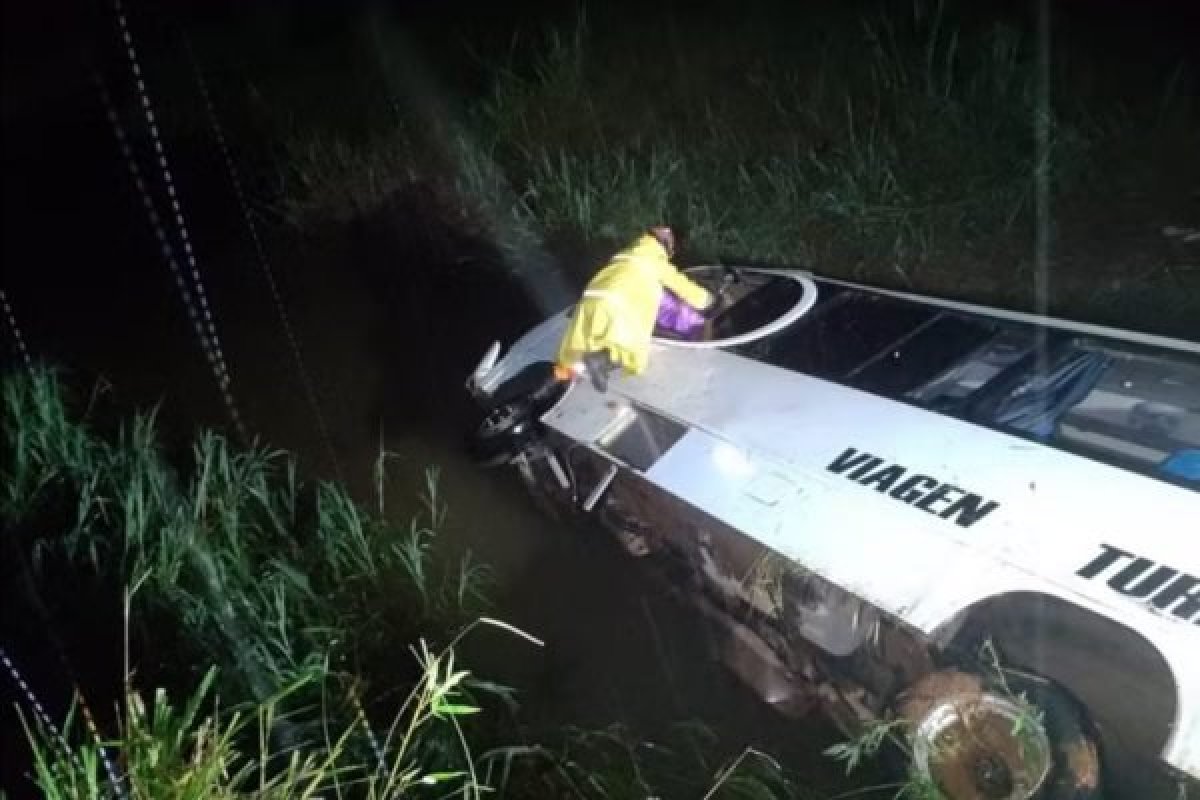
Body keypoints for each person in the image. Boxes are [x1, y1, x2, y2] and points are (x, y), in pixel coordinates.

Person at [554, 226, 715, 391]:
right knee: (631, 350)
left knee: (581, 344)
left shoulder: (625, 255)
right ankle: (601, 361)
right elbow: (682, 285)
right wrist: (708, 300)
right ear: (666, 246)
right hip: (617, 304)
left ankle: (557, 380)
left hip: (590, 299)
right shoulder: (653, 260)